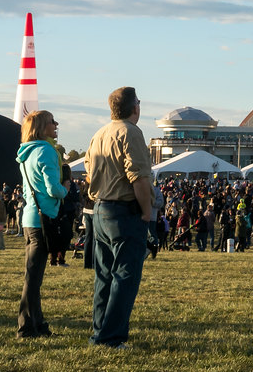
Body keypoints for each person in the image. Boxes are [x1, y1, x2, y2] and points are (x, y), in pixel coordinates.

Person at [84, 86, 155, 349]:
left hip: (100, 209)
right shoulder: (131, 132)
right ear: (135, 107)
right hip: (124, 211)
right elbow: (139, 177)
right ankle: (111, 337)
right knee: (125, 277)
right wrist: (146, 211)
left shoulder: (99, 133)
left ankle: (100, 331)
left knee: (104, 276)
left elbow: (89, 172)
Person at [17, 109, 66, 340]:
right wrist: (65, 190)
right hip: (43, 218)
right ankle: (26, 328)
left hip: (30, 217)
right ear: (41, 127)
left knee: (34, 276)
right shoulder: (46, 150)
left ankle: (39, 325)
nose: (56, 125)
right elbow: (53, 188)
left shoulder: (25, 153)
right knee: (33, 279)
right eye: (51, 122)